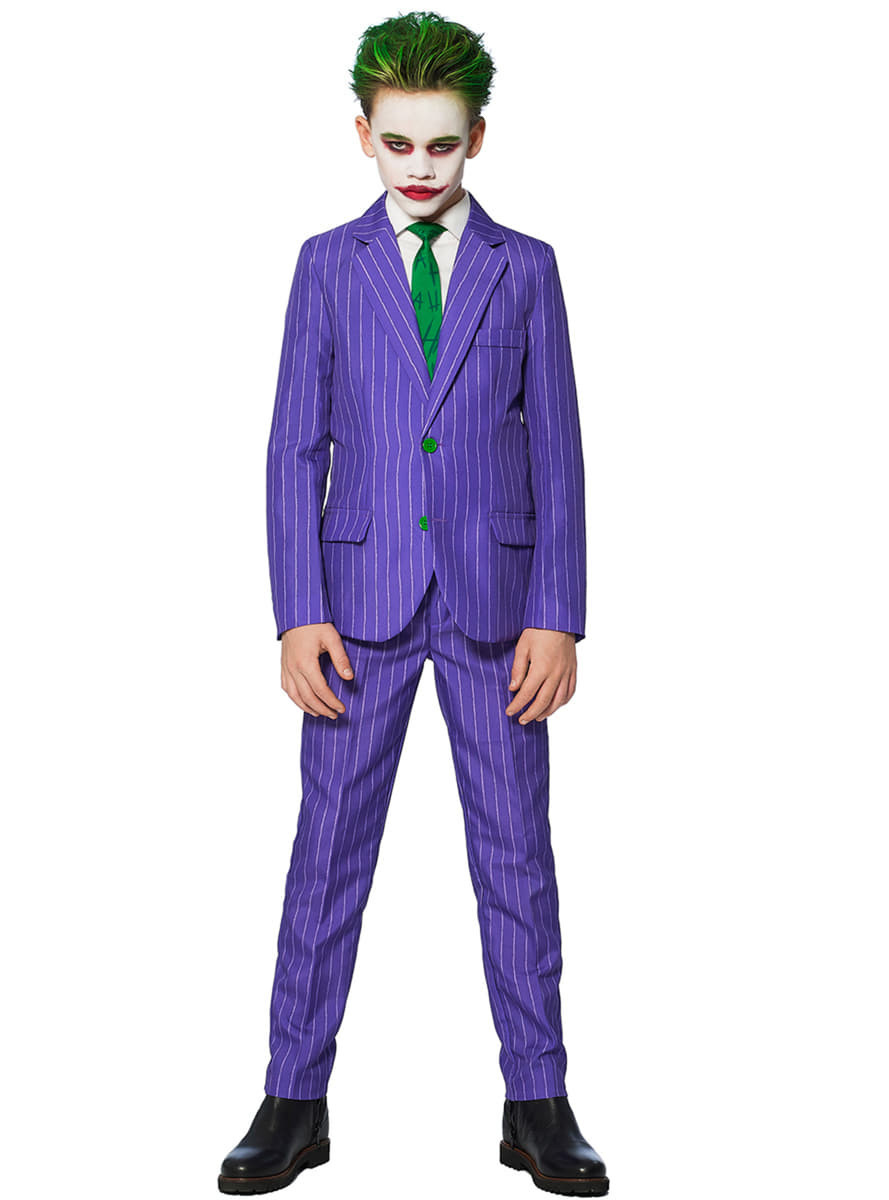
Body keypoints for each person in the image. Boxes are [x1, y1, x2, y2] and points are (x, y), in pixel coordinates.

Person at [218, 11, 609, 1196]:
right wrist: (296, 610)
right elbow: (294, 447)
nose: (421, 167)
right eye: (398, 144)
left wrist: (557, 611)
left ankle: (537, 1102)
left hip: (499, 605)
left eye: (442, 144)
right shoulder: (325, 265)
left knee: (517, 857)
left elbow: (559, 451)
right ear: (363, 137)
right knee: (327, 852)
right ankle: (293, 1097)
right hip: (356, 605)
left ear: (476, 137)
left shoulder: (524, 267)